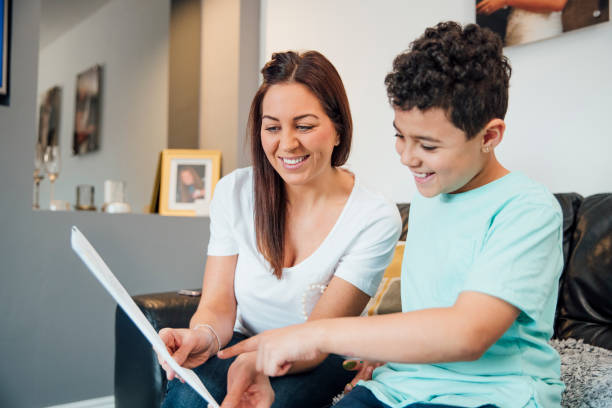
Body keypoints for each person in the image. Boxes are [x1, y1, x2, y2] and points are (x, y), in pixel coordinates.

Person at [220, 22, 565, 408]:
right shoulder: (434, 194)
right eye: (401, 135)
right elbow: (426, 317)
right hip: (400, 387)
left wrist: (313, 334)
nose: (407, 157)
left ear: (489, 136)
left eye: (428, 145)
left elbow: (468, 333)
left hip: (492, 396)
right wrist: (383, 349)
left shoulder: (527, 211)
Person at [158, 50, 402, 408]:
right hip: (241, 341)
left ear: (338, 129)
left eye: (304, 126)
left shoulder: (374, 218)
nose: (287, 144)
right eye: (272, 127)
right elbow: (218, 304)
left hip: (320, 355)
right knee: (186, 397)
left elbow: (318, 336)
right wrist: (203, 336)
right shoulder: (234, 192)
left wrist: (253, 360)